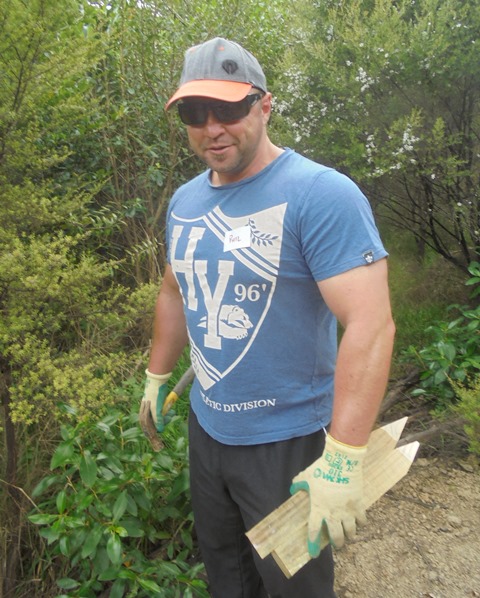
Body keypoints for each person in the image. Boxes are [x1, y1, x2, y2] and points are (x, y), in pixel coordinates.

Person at [141, 37, 396, 598]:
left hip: (288, 441)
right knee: (227, 578)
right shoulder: (185, 202)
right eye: (194, 113)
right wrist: (157, 375)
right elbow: (174, 290)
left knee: (294, 588)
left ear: (264, 105)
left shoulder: (320, 194)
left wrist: (344, 456)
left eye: (229, 108)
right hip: (208, 428)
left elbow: (371, 324)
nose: (212, 128)